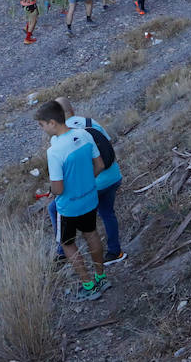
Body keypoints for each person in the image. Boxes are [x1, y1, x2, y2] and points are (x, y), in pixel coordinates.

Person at [34, 100, 110, 301]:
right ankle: (101, 277)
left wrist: (51, 192)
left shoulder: (54, 151)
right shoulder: (84, 134)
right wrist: (85, 183)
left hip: (68, 206)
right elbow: (100, 164)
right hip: (90, 198)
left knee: (67, 243)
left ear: (52, 123)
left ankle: (89, 286)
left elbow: (58, 188)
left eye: (41, 125)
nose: (42, 129)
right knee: (92, 234)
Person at [53, 99, 127, 265]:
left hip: (93, 182)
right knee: (107, 212)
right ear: (72, 109)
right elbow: (108, 145)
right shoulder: (89, 122)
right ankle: (116, 252)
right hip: (113, 175)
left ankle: (62, 250)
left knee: (55, 208)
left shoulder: (62, 134)